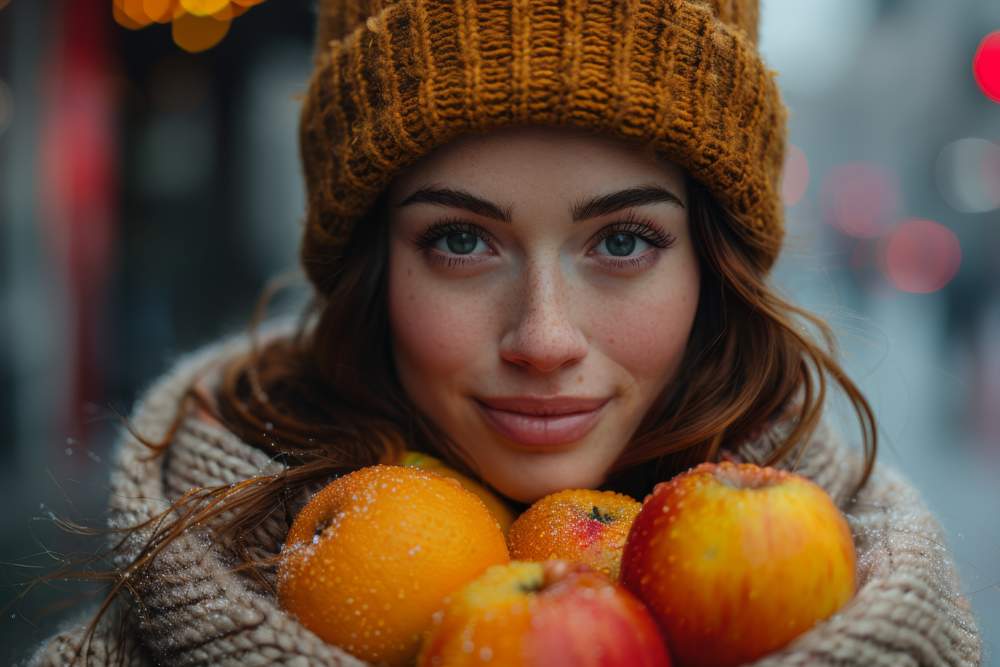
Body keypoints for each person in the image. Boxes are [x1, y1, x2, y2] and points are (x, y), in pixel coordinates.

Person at [28, 0, 983, 665]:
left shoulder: (869, 599)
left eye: (621, 239)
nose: (543, 337)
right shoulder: (146, 621)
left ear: (711, 265)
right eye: (459, 239)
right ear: (370, 266)